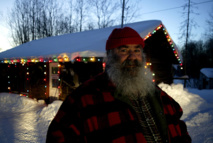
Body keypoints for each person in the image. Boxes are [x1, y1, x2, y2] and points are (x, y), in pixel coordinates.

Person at [46, 27, 191, 143]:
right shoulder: (84, 99)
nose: (132, 56)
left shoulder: (157, 94)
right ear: (110, 56)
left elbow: (179, 130)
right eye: (124, 50)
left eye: (137, 50)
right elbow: (58, 137)